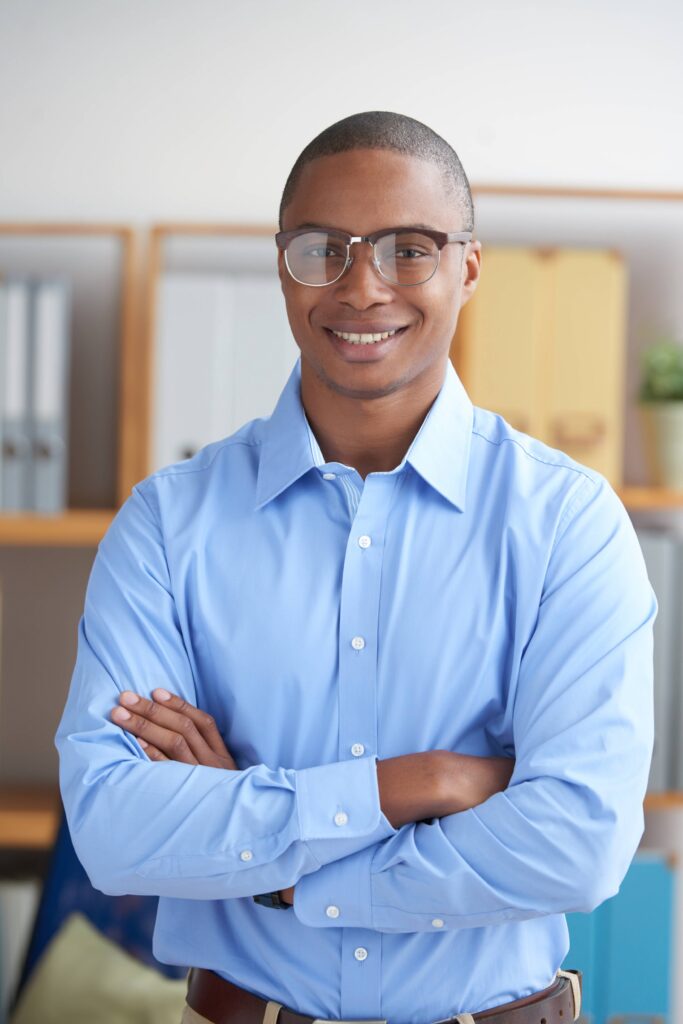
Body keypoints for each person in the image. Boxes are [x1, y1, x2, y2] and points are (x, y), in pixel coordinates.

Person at [56, 111, 656, 1024]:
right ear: (283, 266)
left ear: (467, 267)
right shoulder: (166, 524)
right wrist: (414, 782)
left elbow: (576, 844)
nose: (362, 286)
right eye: (321, 249)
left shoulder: (568, 524)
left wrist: (279, 874)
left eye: (407, 249)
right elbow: (115, 829)